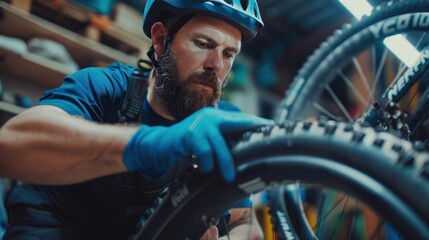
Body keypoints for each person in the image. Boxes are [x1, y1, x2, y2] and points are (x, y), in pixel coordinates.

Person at [0, 0, 273, 239]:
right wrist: (148, 144)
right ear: (160, 39)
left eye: (229, 54)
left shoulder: (222, 124)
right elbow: (9, 146)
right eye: (203, 44)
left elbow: (246, 222)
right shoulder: (104, 87)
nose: (217, 65)